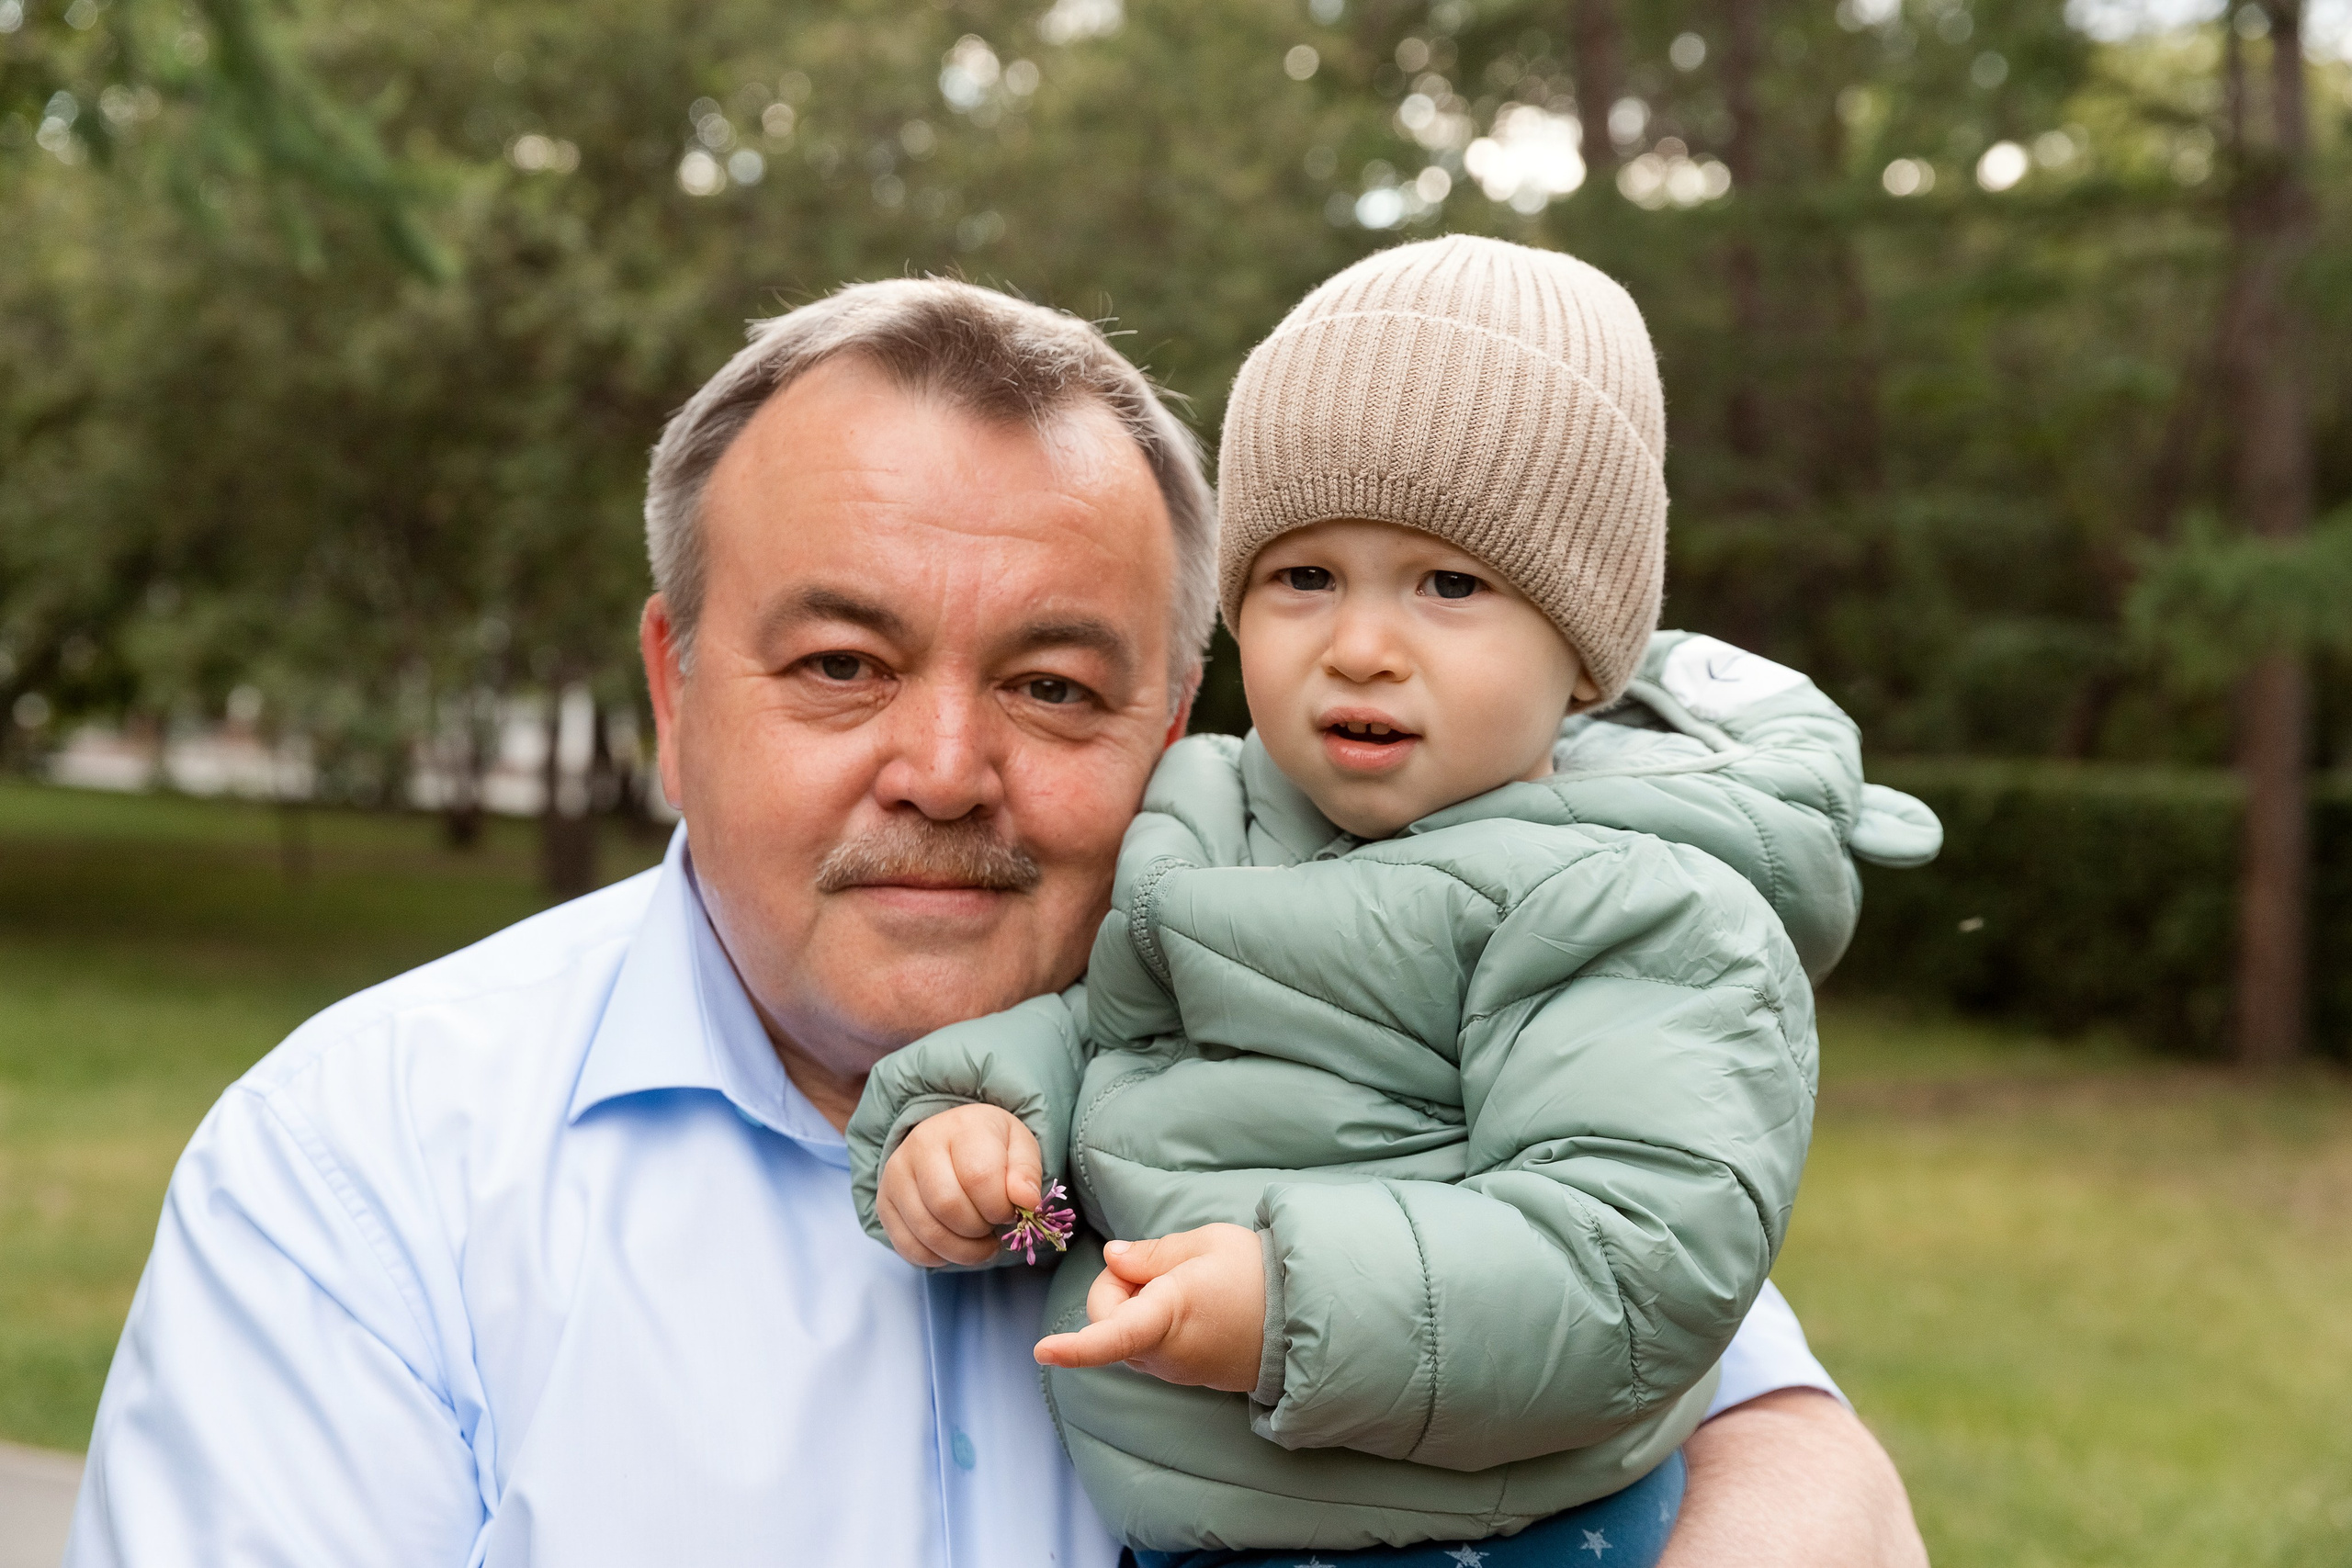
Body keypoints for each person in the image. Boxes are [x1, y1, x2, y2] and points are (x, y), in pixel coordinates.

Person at [63, 276, 1928, 1567]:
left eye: (1050, 686)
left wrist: (1795, 1457)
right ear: (673, 679)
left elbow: (1726, 1386)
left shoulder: (1383, 1054)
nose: (943, 766)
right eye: (841, 662)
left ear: (1184, 716)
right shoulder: (363, 1167)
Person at [853, 238, 1941, 1567]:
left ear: (1585, 653)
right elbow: (1112, 1034)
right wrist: (985, 1125)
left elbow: (1632, 1260)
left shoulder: (1632, 903)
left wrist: (1293, 1299)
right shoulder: (1209, 814)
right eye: (1306, 577)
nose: (1362, 643)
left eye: (1450, 585)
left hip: (1485, 1529)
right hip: (1198, 1513)